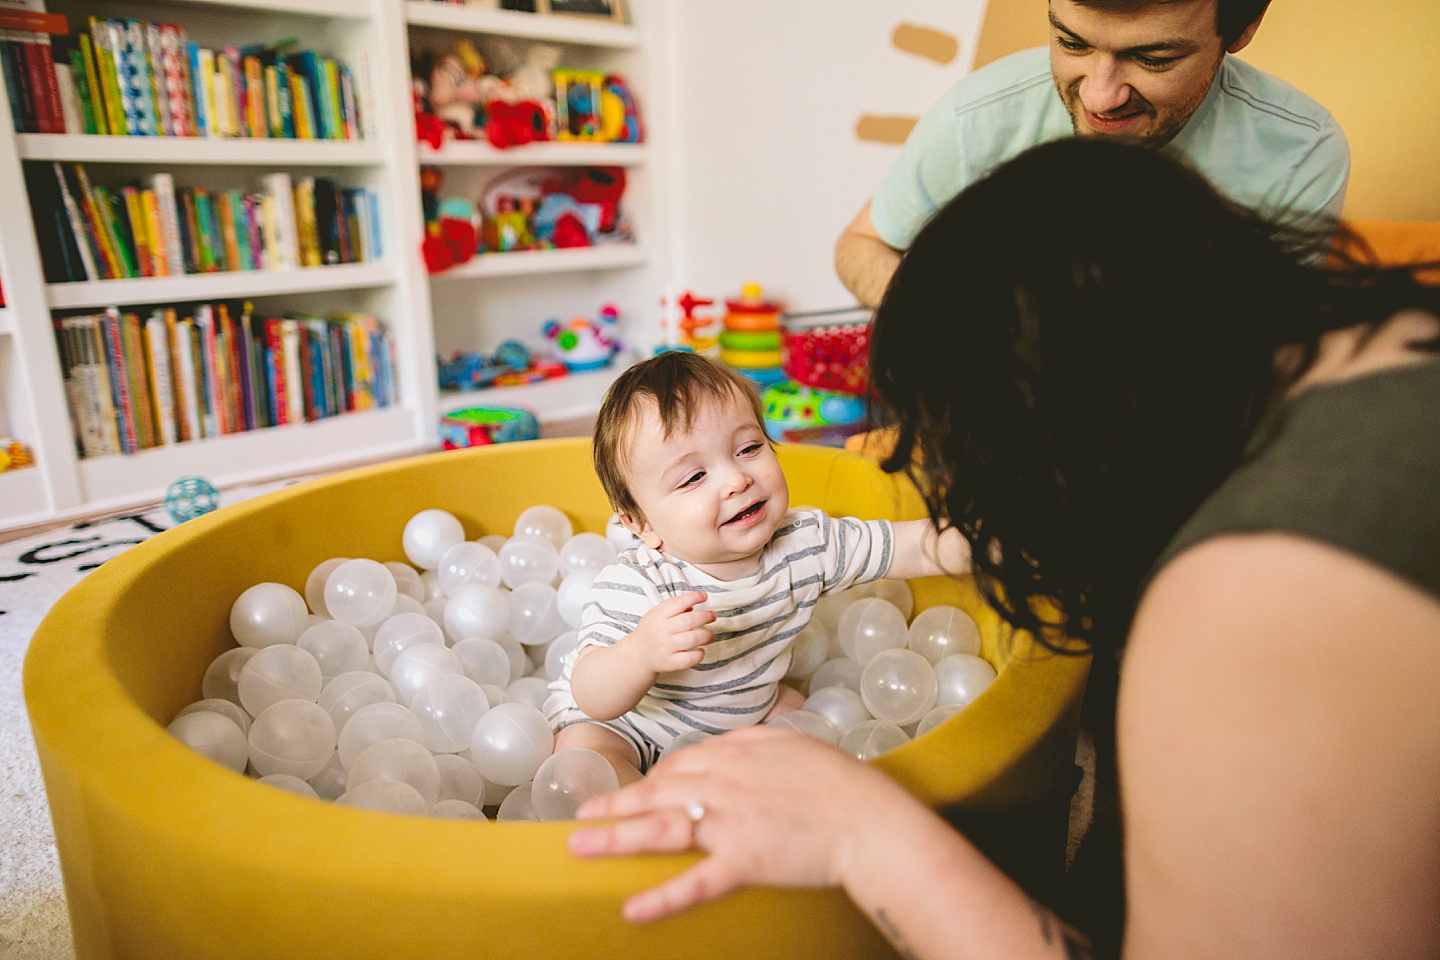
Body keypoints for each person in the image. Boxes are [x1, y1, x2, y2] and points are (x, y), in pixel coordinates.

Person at [566, 139, 1440, 960]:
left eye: (751, 447)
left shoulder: (1252, 602)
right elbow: (593, 683)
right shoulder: (1400, 334)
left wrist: (868, 834)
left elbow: (914, 543)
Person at [544, 351, 970, 786]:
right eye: (694, 477)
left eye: (749, 448)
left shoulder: (807, 543)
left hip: (743, 716)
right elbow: (591, 694)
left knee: (806, 744)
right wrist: (640, 653)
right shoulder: (637, 583)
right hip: (629, 726)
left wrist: (987, 541)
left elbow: (911, 547)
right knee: (583, 767)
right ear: (641, 524)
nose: (737, 479)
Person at [836, 0, 1351, 308]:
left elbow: (1274, 349)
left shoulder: (1301, 151)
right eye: (1072, 43)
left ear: (1243, 28)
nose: (1100, 97)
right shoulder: (979, 115)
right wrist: (963, 329)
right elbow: (861, 246)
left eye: (1152, 58)